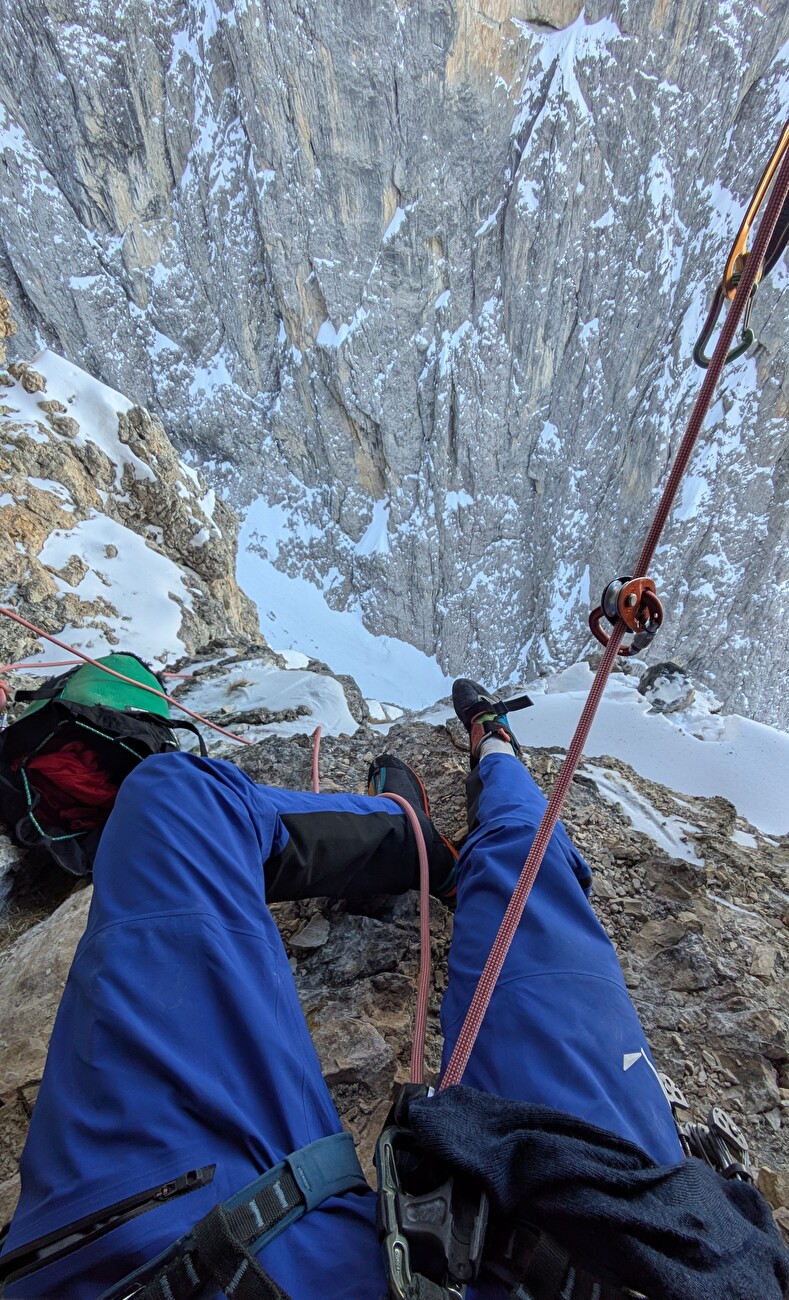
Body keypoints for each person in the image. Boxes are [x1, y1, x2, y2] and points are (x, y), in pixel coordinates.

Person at [0, 681, 775, 1299]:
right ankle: (492, 758)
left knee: (174, 798)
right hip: (597, 1256)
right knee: (524, 864)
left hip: (166, 1254)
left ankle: (421, 828)